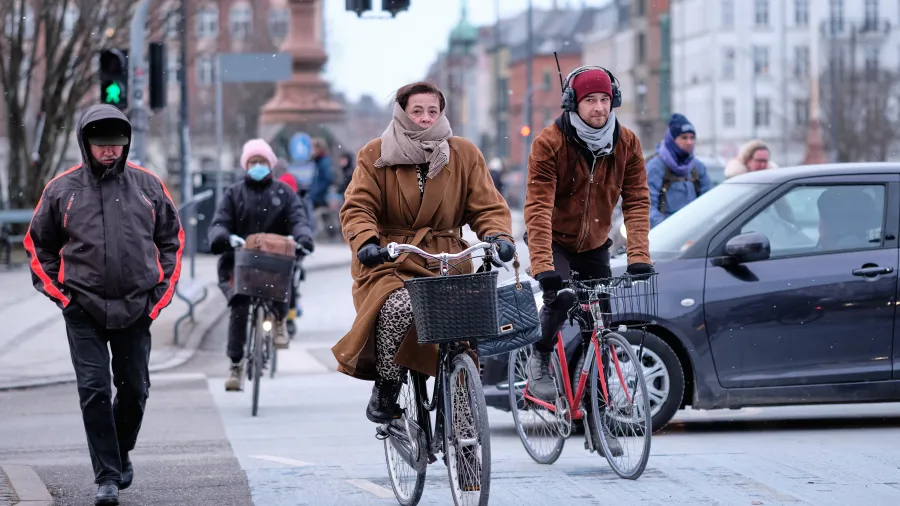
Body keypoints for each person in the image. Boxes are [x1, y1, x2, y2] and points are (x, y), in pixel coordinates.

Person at [24, 104, 184, 505]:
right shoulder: (61, 190)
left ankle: (119, 450)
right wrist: (65, 299)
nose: (110, 150)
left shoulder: (148, 187)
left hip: (136, 308)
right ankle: (107, 477)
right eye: (102, 144)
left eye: (117, 143)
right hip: (84, 309)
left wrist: (156, 300)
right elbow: (38, 246)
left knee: (135, 390)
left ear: (126, 143)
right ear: (86, 143)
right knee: (94, 389)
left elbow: (172, 241)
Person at [334, 81, 515, 424]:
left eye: (433, 111)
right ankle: (387, 384)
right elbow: (358, 206)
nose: (425, 118)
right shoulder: (376, 153)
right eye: (417, 111)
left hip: (448, 260)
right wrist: (367, 243)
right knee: (400, 306)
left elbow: (487, 205)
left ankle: (465, 427)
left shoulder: (464, 153)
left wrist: (498, 235)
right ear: (402, 113)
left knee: (464, 332)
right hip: (393, 259)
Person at [523, 66, 653, 404]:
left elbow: (637, 201)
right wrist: (543, 266)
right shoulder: (549, 143)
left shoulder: (627, 143)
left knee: (600, 324)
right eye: (590, 100)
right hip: (554, 240)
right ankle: (540, 355)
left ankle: (597, 409)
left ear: (614, 101)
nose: (599, 108)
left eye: (604, 100)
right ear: (573, 102)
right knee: (563, 297)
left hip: (595, 244)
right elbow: (537, 207)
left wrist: (639, 255)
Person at [208, 139, 314, 391]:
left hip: (273, 261)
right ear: (245, 165)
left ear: (271, 164)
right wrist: (224, 238)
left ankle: (279, 322)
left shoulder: (284, 193)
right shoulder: (233, 193)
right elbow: (220, 222)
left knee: (285, 278)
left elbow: (298, 219)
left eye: (262, 161)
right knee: (239, 304)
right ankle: (236, 364)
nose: (257, 166)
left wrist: (302, 238)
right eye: (253, 162)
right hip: (240, 261)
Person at [647, 113, 712, 227]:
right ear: (672, 139)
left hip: (695, 231)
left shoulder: (697, 167)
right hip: (666, 232)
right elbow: (646, 206)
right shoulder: (656, 167)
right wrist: (669, 228)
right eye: (684, 137)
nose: (689, 142)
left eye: (692, 138)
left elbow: (709, 203)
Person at [309, 138, 334, 210]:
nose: (311, 151)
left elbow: (328, 179)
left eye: (313, 148)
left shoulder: (324, 162)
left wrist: (317, 193)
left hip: (321, 201)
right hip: (317, 199)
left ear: (318, 149)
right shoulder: (318, 162)